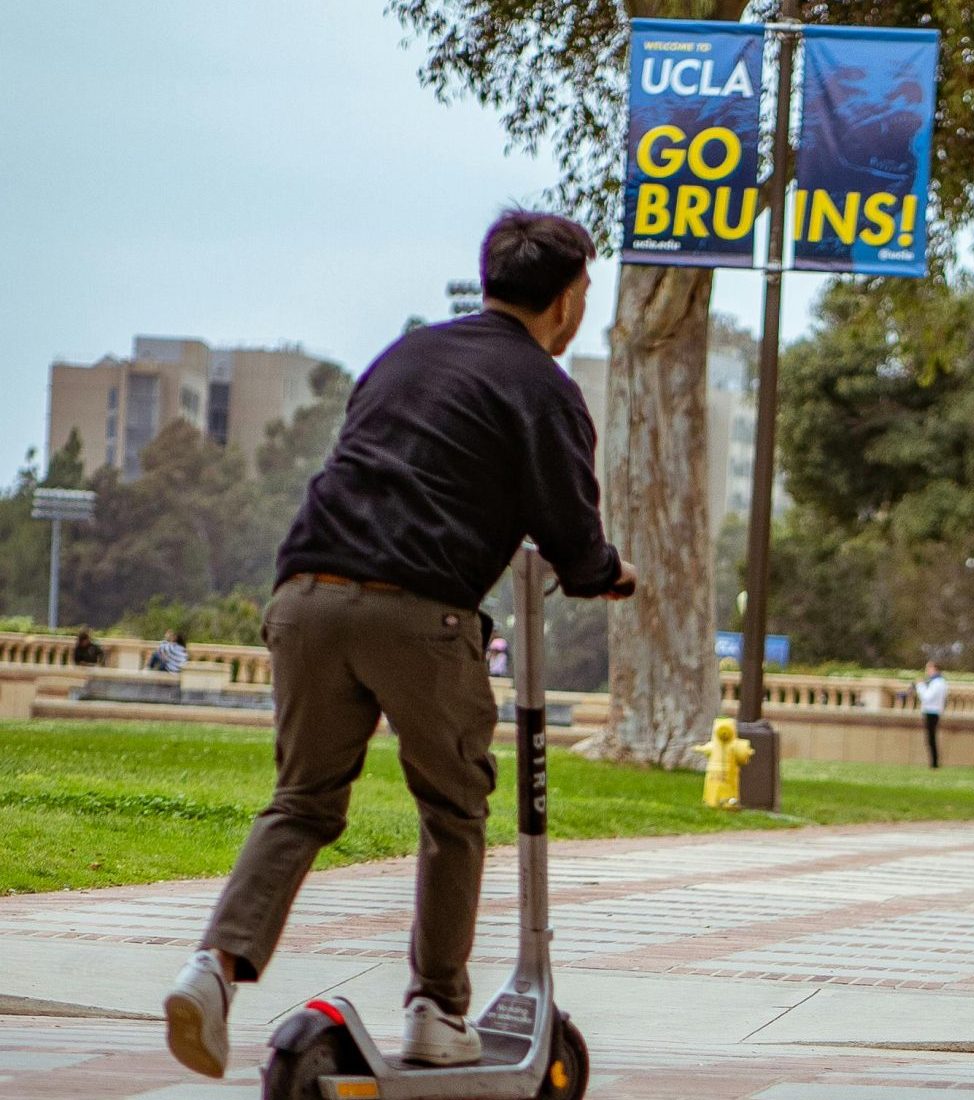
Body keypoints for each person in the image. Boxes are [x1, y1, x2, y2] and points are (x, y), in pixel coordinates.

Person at [162, 210, 636, 1079]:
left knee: (302, 800)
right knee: (453, 810)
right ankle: (435, 1011)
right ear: (569, 300)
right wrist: (606, 570)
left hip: (304, 595)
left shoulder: (404, 355)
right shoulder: (542, 387)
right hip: (418, 615)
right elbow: (571, 530)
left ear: (488, 278)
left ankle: (213, 971)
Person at [913, 661, 948, 768]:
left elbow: (926, 697)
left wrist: (920, 686)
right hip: (934, 711)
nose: (927, 671)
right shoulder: (939, 682)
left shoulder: (937, 683)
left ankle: (934, 763)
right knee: (930, 738)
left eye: (928, 669)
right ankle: (934, 763)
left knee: (931, 738)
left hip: (931, 712)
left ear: (935, 669)